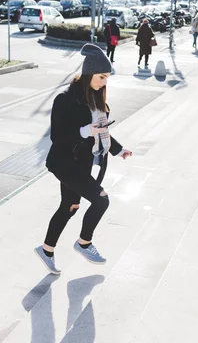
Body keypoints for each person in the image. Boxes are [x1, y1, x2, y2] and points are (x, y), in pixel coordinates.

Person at [35, 43, 133, 275]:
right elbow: (58, 136)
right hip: (65, 163)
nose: (104, 82)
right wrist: (85, 131)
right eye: (101, 76)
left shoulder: (97, 99)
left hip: (80, 163)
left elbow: (101, 130)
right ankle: (84, 243)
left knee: (70, 206)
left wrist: (118, 150)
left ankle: (46, 250)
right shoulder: (65, 100)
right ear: (89, 73)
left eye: (107, 77)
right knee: (101, 200)